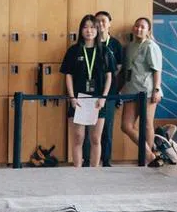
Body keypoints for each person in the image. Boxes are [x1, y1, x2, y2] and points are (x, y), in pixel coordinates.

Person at [62, 14, 115, 169]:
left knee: (95, 138)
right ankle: (77, 170)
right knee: (78, 137)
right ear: (81, 30)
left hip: (98, 100)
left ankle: (94, 170)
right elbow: (68, 75)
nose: (89, 30)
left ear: (97, 30)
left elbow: (109, 77)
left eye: (92, 27)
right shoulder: (73, 51)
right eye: (85, 27)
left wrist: (104, 97)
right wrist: (72, 97)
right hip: (79, 99)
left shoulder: (104, 51)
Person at [120, 17, 164, 166]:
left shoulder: (151, 46)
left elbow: (157, 70)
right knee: (126, 126)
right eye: (137, 26)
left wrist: (157, 89)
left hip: (148, 91)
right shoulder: (130, 46)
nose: (139, 29)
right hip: (131, 90)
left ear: (148, 30)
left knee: (146, 125)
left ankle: (147, 160)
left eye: (143, 27)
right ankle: (151, 155)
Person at [88, 10, 124, 167]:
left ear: (109, 23)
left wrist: (105, 78)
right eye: (97, 21)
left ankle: (106, 160)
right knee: (89, 128)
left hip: (109, 93)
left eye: (104, 21)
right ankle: (87, 160)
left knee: (107, 128)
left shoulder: (115, 44)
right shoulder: (89, 42)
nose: (100, 24)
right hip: (89, 92)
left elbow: (118, 67)